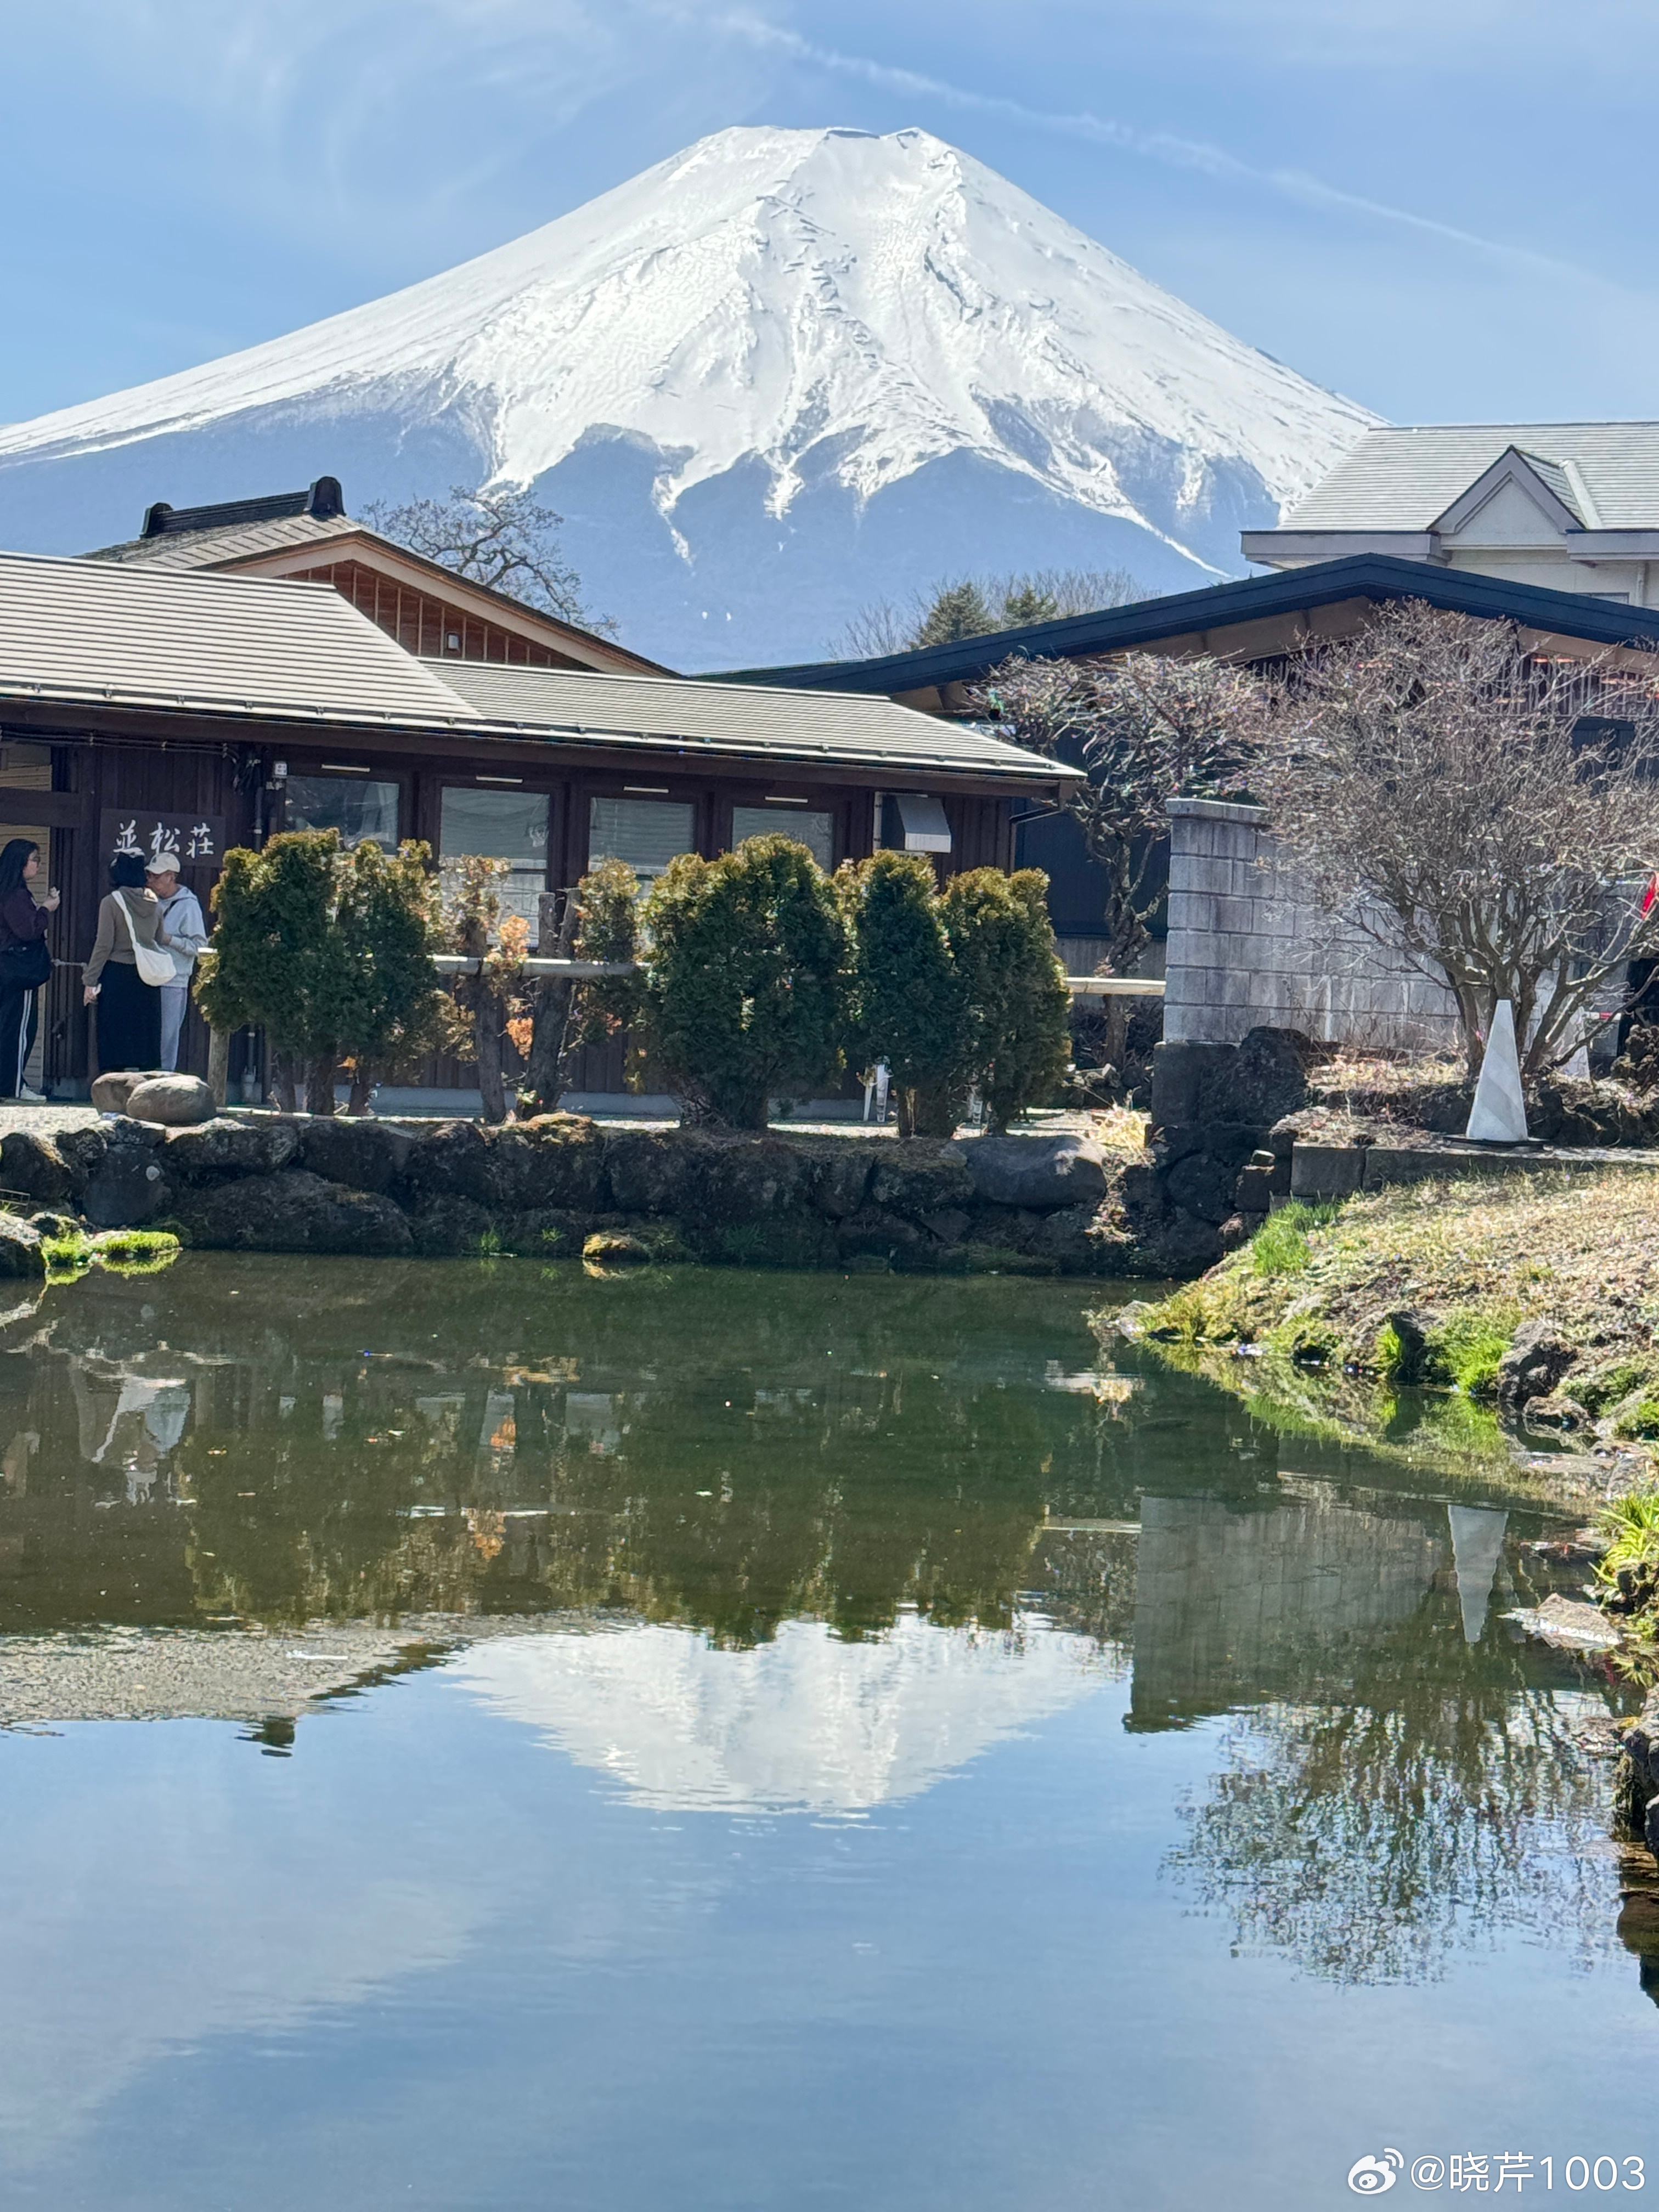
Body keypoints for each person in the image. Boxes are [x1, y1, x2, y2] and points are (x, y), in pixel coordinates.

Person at [83, 854, 168, 1073]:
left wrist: (90, 980)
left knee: (115, 1038)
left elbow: (103, 945)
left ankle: (113, 1091)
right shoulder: (154, 902)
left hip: (117, 975)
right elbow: (159, 939)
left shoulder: (111, 902)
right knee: (145, 1037)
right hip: (147, 976)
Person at [0, 838, 59, 1102]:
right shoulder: (16, 893)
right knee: (20, 1029)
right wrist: (46, 908)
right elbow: (29, 931)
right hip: (17, 971)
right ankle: (13, 1086)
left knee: (7, 1028)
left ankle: (11, 1083)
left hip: (6, 968)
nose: (38, 865)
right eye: (35, 860)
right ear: (21, 863)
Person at [144, 851, 208, 1074]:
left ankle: (163, 1081)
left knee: (167, 1037)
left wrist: (169, 940)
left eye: (156, 876)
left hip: (173, 980)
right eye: (149, 875)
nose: (151, 880)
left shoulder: (188, 905)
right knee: (148, 1035)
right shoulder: (149, 900)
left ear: (171, 876)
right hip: (147, 977)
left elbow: (200, 948)